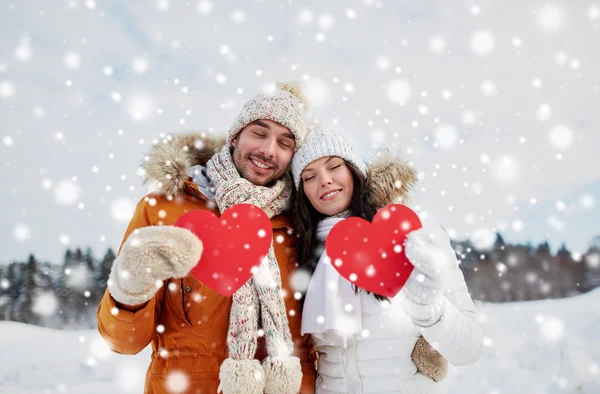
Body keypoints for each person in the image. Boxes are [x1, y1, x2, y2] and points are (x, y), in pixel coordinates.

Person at [97, 82, 317, 394]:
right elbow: (123, 342)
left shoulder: (302, 222)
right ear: (236, 135)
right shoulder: (164, 209)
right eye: (259, 132)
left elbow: (327, 342)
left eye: (285, 142)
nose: (269, 150)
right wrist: (129, 291)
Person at [291, 127, 486, 393]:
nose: (324, 180)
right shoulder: (303, 251)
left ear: (354, 171)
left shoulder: (412, 234)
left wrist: (429, 308)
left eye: (334, 166)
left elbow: (470, 349)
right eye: (309, 177)